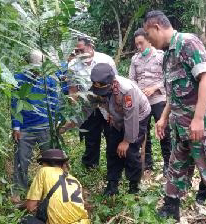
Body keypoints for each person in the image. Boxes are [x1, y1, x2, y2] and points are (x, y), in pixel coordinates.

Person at [143, 10, 206, 223]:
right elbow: (175, 92)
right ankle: (171, 207)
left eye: (149, 36)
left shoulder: (187, 42)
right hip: (181, 126)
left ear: (157, 27)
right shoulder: (168, 54)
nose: (149, 41)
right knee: (177, 167)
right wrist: (164, 117)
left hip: (201, 126)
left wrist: (199, 119)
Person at [89, 63, 151, 196]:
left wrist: (127, 141)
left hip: (137, 116)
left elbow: (131, 117)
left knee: (130, 151)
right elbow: (94, 105)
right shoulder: (97, 85)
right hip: (116, 117)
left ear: (112, 83)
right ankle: (112, 183)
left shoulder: (126, 90)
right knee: (112, 148)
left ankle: (134, 185)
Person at [11, 50, 60, 203]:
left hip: (45, 126)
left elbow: (54, 101)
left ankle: (52, 189)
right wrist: (16, 126)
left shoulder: (49, 79)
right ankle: (19, 190)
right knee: (21, 160)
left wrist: (55, 122)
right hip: (25, 127)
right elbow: (15, 102)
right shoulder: (18, 78)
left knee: (51, 159)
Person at [68, 37, 117, 169]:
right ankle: (91, 165)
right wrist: (74, 109)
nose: (79, 54)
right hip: (88, 106)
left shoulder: (106, 60)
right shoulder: (73, 65)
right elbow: (73, 89)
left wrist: (115, 108)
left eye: (81, 50)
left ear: (90, 47)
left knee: (111, 135)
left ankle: (113, 166)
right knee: (91, 137)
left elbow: (115, 84)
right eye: (76, 51)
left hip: (107, 104)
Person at [129, 28, 171, 174]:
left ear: (149, 40)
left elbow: (168, 77)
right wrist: (138, 93)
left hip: (159, 99)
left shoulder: (161, 56)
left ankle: (168, 163)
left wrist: (154, 87)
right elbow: (132, 80)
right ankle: (147, 163)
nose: (139, 47)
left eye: (141, 43)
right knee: (143, 131)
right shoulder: (135, 59)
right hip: (142, 102)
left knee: (163, 130)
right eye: (137, 44)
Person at [25, 149, 90, 224]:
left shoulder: (43, 171)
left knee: (27, 220)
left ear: (45, 163)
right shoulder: (74, 180)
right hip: (84, 221)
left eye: (42, 164)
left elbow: (31, 206)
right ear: (62, 164)